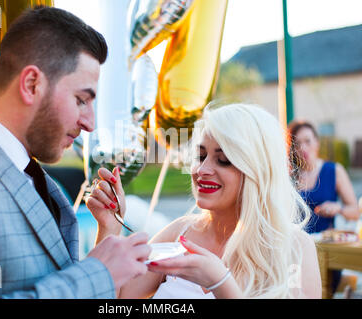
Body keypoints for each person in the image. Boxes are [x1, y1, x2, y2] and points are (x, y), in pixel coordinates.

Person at [0, 6, 150, 298]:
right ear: (31, 84)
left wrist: (107, 232)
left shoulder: (31, 175)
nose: (90, 123)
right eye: (81, 100)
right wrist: (97, 274)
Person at [87, 102, 322, 298]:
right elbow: (114, 296)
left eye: (223, 159)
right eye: (200, 156)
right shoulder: (180, 232)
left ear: (257, 171)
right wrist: (109, 226)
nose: (202, 169)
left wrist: (220, 282)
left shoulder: (295, 248)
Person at [288, 120, 361, 294]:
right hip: (294, 253)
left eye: (308, 141)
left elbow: (355, 212)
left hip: (326, 251)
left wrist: (339, 208)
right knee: (293, 293)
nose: (303, 148)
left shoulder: (333, 170)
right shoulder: (290, 175)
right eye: (297, 144)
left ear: (317, 143)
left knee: (322, 292)